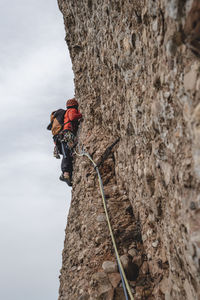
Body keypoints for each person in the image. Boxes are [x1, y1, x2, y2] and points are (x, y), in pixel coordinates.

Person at [47, 98, 82, 186]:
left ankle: (67, 174)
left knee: (68, 154)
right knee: (67, 154)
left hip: (60, 137)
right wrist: (81, 115)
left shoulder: (61, 116)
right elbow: (73, 117)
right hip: (66, 134)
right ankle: (66, 174)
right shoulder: (71, 110)